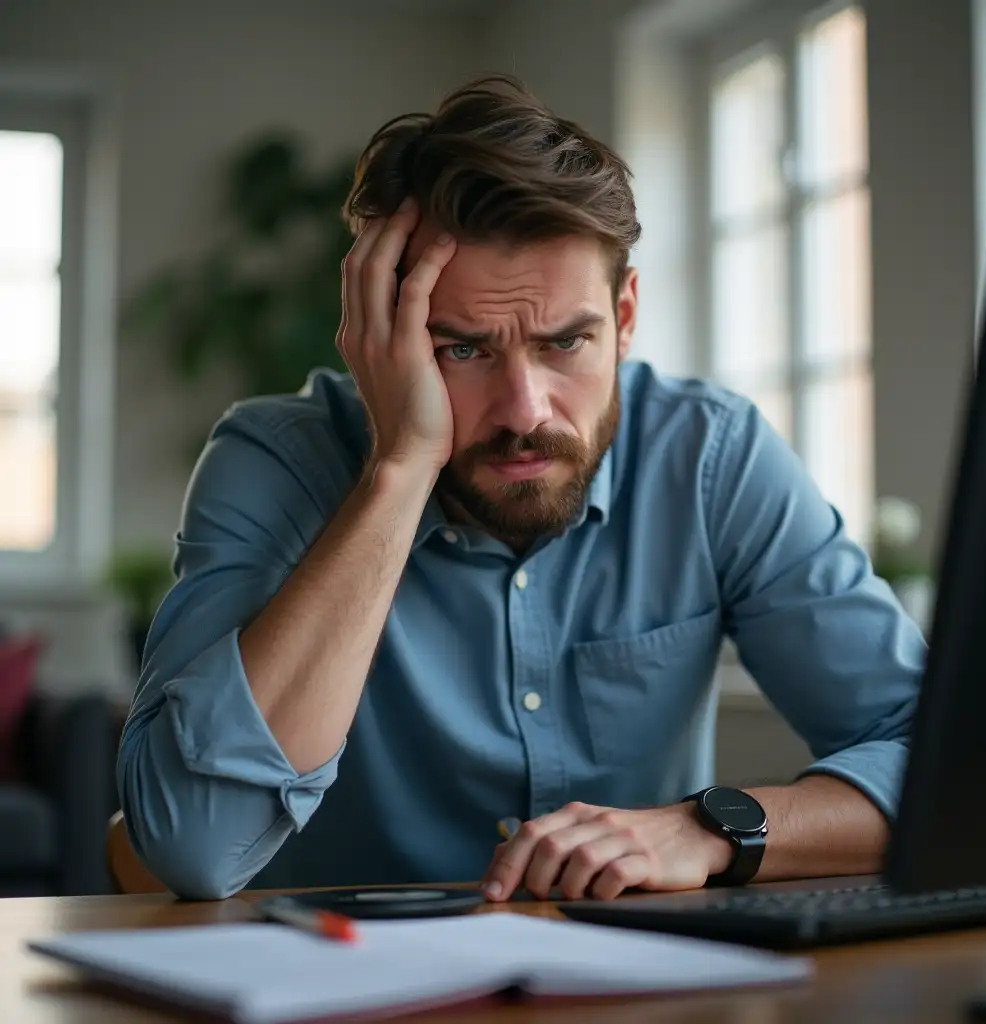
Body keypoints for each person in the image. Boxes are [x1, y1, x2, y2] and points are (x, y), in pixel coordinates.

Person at [117, 75, 924, 902]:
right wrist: (399, 470)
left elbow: (948, 765)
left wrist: (709, 828)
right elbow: (194, 845)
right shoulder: (275, 463)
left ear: (627, 317)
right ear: (378, 339)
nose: (524, 413)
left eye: (566, 343)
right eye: (461, 350)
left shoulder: (710, 458)